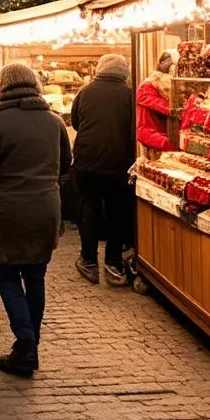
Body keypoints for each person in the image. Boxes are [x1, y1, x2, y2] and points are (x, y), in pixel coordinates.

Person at [0, 63, 71, 378]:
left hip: (7, 211)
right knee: (36, 276)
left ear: (1, 86)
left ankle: (25, 342)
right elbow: (66, 164)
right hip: (45, 208)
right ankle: (30, 345)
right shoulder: (54, 122)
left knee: (7, 273)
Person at [70, 53, 135, 287]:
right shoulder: (130, 95)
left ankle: (88, 261)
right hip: (120, 163)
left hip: (86, 162)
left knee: (89, 209)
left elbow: (76, 122)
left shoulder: (85, 92)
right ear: (124, 71)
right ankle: (113, 262)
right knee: (118, 212)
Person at [136, 52, 176, 154]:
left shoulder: (180, 93)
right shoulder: (150, 88)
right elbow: (144, 131)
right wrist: (170, 145)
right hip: (160, 151)